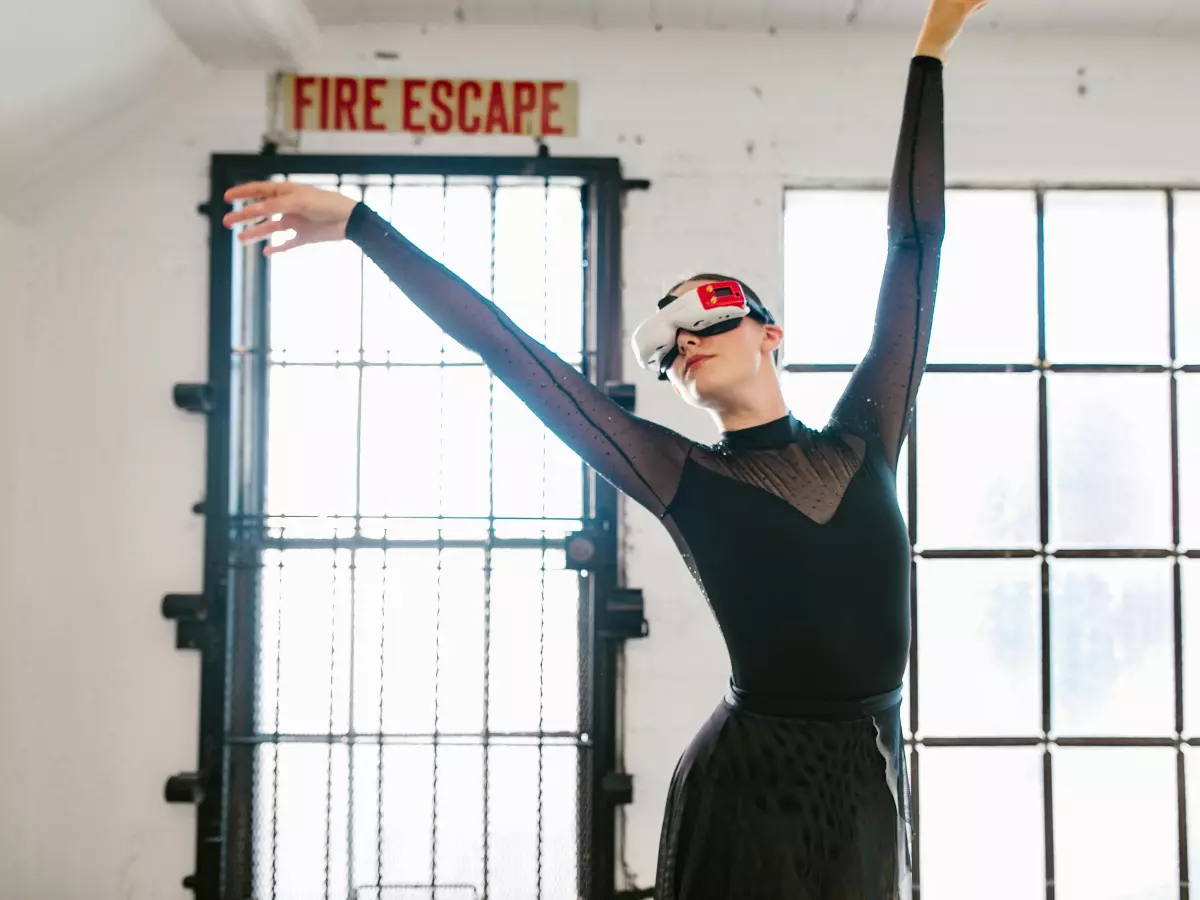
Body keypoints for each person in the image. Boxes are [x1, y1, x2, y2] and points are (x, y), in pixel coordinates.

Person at [223, 0, 986, 894]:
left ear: (769, 333)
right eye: (665, 351)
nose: (685, 342)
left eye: (707, 314)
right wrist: (361, 223)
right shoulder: (683, 478)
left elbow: (915, 244)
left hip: (869, 771)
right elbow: (509, 352)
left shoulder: (868, 436)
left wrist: (930, 52)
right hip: (752, 786)